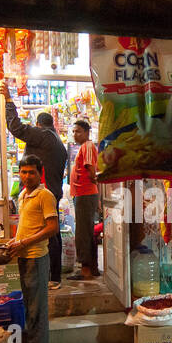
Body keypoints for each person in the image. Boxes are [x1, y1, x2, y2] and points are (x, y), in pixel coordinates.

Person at [5, 98, 67, 288]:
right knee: (52, 234)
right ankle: (53, 276)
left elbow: (15, 128)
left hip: (45, 192)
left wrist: (8, 101)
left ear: (39, 125)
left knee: (50, 233)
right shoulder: (59, 143)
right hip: (52, 190)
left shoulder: (45, 136)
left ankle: (52, 277)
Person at [6, 154, 58, 343]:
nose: (27, 176)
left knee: (36, 311)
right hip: (24, 256)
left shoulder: (45, 195)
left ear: (40, 173)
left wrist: (25, 241)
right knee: (29, 308)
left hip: (37, 258)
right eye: (23, 172)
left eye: (31, 172)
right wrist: (15, 241)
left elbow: (52, 228)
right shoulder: (23, 194)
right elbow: (27, 225)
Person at [68, 119, 100, 281]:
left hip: (85, 194)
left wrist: (94, 183)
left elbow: (90, 169)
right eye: (73, 131)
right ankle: (92, 268)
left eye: (78, 131)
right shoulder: (85, 147)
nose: (75, 134)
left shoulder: (87, 146)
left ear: (87, 133)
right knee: (87, 231)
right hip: (84, 194)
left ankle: (85, 270)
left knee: (83, 233)